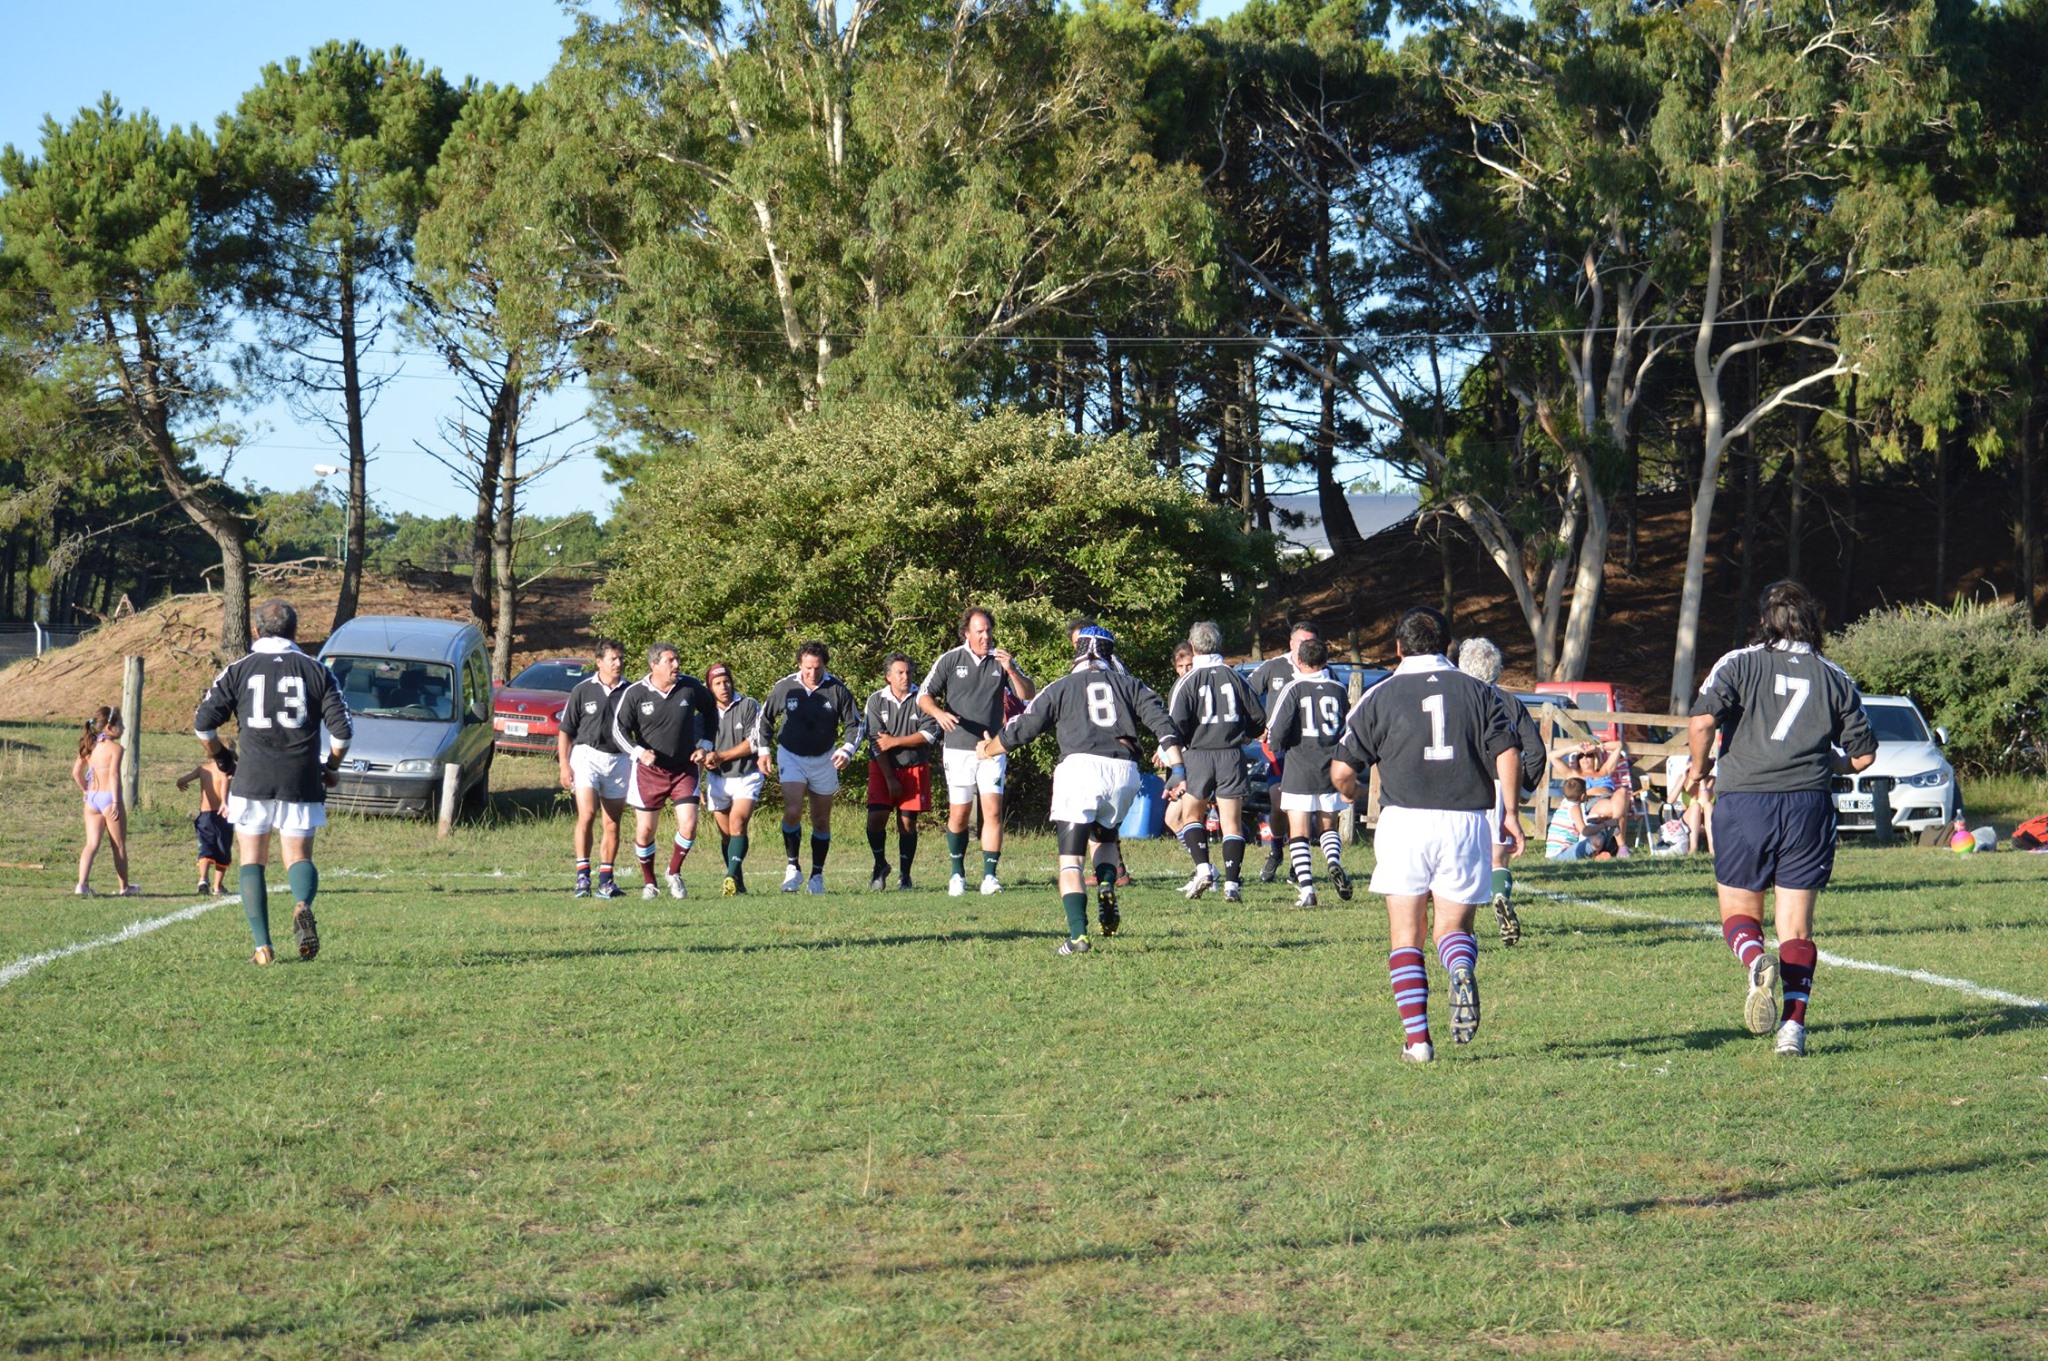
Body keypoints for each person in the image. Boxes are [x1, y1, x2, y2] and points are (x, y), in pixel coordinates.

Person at [1686, 579, 1876, 1058]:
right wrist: (1824, 762)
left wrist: (1699, 767)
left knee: (1739, 914)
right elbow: (1864, 757)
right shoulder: (1834, 675)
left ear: (1764, 621)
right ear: (1811, 621)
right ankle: (1792, 1029)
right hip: (1807, 806)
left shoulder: (1738, 662)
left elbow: (1704, 720)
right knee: (1796, 929)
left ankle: (1754, 960)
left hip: (1745, 801)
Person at [1330, 606, 1523, 1063]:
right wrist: (1510, 813)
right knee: (1452, 928)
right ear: (1449, 647)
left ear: (1398, 647)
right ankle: (1458, 965)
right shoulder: (1478, 691)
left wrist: (1355, 791)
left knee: (1405, 935)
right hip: (1466, 820)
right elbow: (1507, 750)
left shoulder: (1380, 695)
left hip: (1405, 821)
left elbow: (1341, 772)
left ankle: (1417, 1043)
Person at [977, 626, 1184, 955]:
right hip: (1124, 773)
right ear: (1109, 654)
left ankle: (1078, 936)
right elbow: (1163, 723)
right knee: (1104, 838)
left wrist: (987, 749)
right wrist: (1178, 769)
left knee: (1070, 862)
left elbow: (1024, 728)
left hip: (1080, 772)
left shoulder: (1061, 686)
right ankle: (1106, 881)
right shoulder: (1130, 684)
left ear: (1078, 653)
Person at [193, 599, 353, 965]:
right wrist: (330, 765)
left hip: (253, 776)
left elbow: (203, 724)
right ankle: (301, 905)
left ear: (255, 630)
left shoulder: (238, 669)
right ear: (295, 632)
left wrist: (221, 757)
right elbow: (343, 732)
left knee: (253, 858)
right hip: (302, 776)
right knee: (297, 856)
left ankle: (263, 947)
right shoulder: (318, 671)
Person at [919, 608, 1036, 896]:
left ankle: (989, 876)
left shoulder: (1001, 660)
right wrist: (939, 713)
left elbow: (1028, 694)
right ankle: (957, 874)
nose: (985, 636)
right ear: (967, 633)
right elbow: (924, 695)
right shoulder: (950, 659)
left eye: (988, 630)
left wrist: (1012, 669)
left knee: (993, 811)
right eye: (979, 631)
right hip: (958, 748)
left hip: (992, 747)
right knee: (960, 814)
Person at [1455, 637, 1546, 945]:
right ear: (1497, 670)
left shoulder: (1454, 698)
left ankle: (1462, 928)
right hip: (1499, 785)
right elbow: (1535, 751)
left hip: (1460, 785)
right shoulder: (1509, 702)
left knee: (1461, 859)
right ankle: (1499, 896)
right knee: (1497, 857)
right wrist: (1521, 791)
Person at [758, 642, 866, 894]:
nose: (812, 673)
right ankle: (792, 868)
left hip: (824, 758)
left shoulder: (837, 689)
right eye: (808, 667)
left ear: (825, 665)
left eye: (817, 668)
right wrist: (763, 750)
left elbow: (856, 725)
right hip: (791, 755)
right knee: (793, 810)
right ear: (800, 665)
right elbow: (764, 718)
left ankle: (817, 875)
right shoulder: (786, 686)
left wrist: (847, 750)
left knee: (820, 819)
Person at [1167, 621, 1264, 902]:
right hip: (1231, 755)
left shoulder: (1187, 681)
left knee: (1191, 815)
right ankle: (1232, 885)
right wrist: (1245, 734)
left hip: (1198, 754)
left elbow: (1174, 725)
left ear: (1193, 647)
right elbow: (1258, 718)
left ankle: (1203, 869)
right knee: (1231, 823)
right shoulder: (1234, 676)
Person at [612, 643, 717, 900]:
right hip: (650, 772)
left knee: (690, 825)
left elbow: (711, 712)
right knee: (645, 830)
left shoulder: (690, 687)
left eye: (677, 659)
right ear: (654, 665)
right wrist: (639, 752)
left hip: (685, 768)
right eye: (670, 661)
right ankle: (650, 883)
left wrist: (704, 745)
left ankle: (674, 872)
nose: (676, 665)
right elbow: (618, 730)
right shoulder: (636, 693)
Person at [1265, 638, 1357, 909]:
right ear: (1326, 661)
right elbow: (1346, 726)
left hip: (1299, 765)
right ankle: (1333, 861)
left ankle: (1307, 890)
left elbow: (1277, 731)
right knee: (1328, 825)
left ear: (1299, 661)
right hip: (1331, 767)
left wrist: (1276, 744)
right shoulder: (1339, 689)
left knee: (1299, 832)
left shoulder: (1294, 688)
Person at [1247, 621, 1321, 882]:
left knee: (1304, 808)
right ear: (1291, 643)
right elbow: (1246, 694)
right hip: (1278, 748)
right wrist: (1256, 726)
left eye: (1311, 643)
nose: (1305, 647)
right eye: (1301, 642)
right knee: (1279, 803)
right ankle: (1276, 850)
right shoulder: (1273, 667)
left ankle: (1298, 863)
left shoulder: (1323, 671)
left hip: (1309, 750)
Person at [557, 639, 630, 900]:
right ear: (599, 662)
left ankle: (606, 881)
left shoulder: (630, 691)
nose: (618, 663)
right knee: (587, 814)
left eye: (621, 658)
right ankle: (582, 875)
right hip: (586, 756)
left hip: (619, 760)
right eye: (613, 659)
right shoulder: (582, 690)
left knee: (612, 822)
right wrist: (564, 765)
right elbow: (565, 731)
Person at [864, 652, 941, 890]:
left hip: (913, 767)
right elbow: (877, 742)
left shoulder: (923, 698)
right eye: (899, 672)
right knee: (876, 819)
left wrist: (895, 741)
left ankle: (905, 875)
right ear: (888, 677)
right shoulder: (876, 700)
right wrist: (889, 778)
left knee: (907, 824)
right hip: (882, 767)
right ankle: (880, 864)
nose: (905, 676)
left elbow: (928, 735)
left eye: (908, 672)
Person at [703, 663, 764, 895]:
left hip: (746, 775)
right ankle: (737, 882)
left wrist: (722, 756)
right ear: (710, 688)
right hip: (717, 779)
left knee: (738, 823)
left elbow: (754, 742)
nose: (723, 687)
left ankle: (729, 876)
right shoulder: (704, 714)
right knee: (726, 834)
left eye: (726, 681)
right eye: (717, 683)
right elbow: (699, 747)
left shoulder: (748, 705)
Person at [72, 707, 136, 898]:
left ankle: (82, 884)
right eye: (120, 725)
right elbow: (115, 775)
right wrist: (116, 802)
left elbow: (76, 772)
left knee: (91, 843)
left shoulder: (89, 746)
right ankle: (124, 887)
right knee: (118, 845)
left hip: (92, 799)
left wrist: (86, 790)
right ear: (109, 727)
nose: (123, 728)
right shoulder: (116, 749)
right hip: (109, 799)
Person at [175, 745, 235, 896]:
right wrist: (224, 802)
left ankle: (203, 879)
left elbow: (182, 780)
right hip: (223, 814)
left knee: (205, 848)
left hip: (205, 815)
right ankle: (217, 886)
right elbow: (223, 781)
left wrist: (181, 783)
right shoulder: (229, 769)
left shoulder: (203, 769)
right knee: (223, 849)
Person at [1554, 741, 1633, 844]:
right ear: (1577, 760)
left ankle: (1614, 824)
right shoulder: (1573, 774)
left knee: (1622, 791)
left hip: (1613, 799)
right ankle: (1621, 846)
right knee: (1620, 808)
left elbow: (1619, 745)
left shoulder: (1604, 771)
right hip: (1593, 803)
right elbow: (1552, 756)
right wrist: (1574, 748)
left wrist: (1597, 747)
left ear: (1595, 758)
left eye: (1589, 755)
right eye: (1581, 756)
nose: (1585, 758)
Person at [1544, 777, 1612, 860]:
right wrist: (1604, 825)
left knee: (1595, 837)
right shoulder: (1574, 808)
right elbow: (1584, 831)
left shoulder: (1565, 803)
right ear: (1583, 796)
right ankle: (1596, 855)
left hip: (1553, 854)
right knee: (1597, 839)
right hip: (1561, 854)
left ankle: (1596, 854)